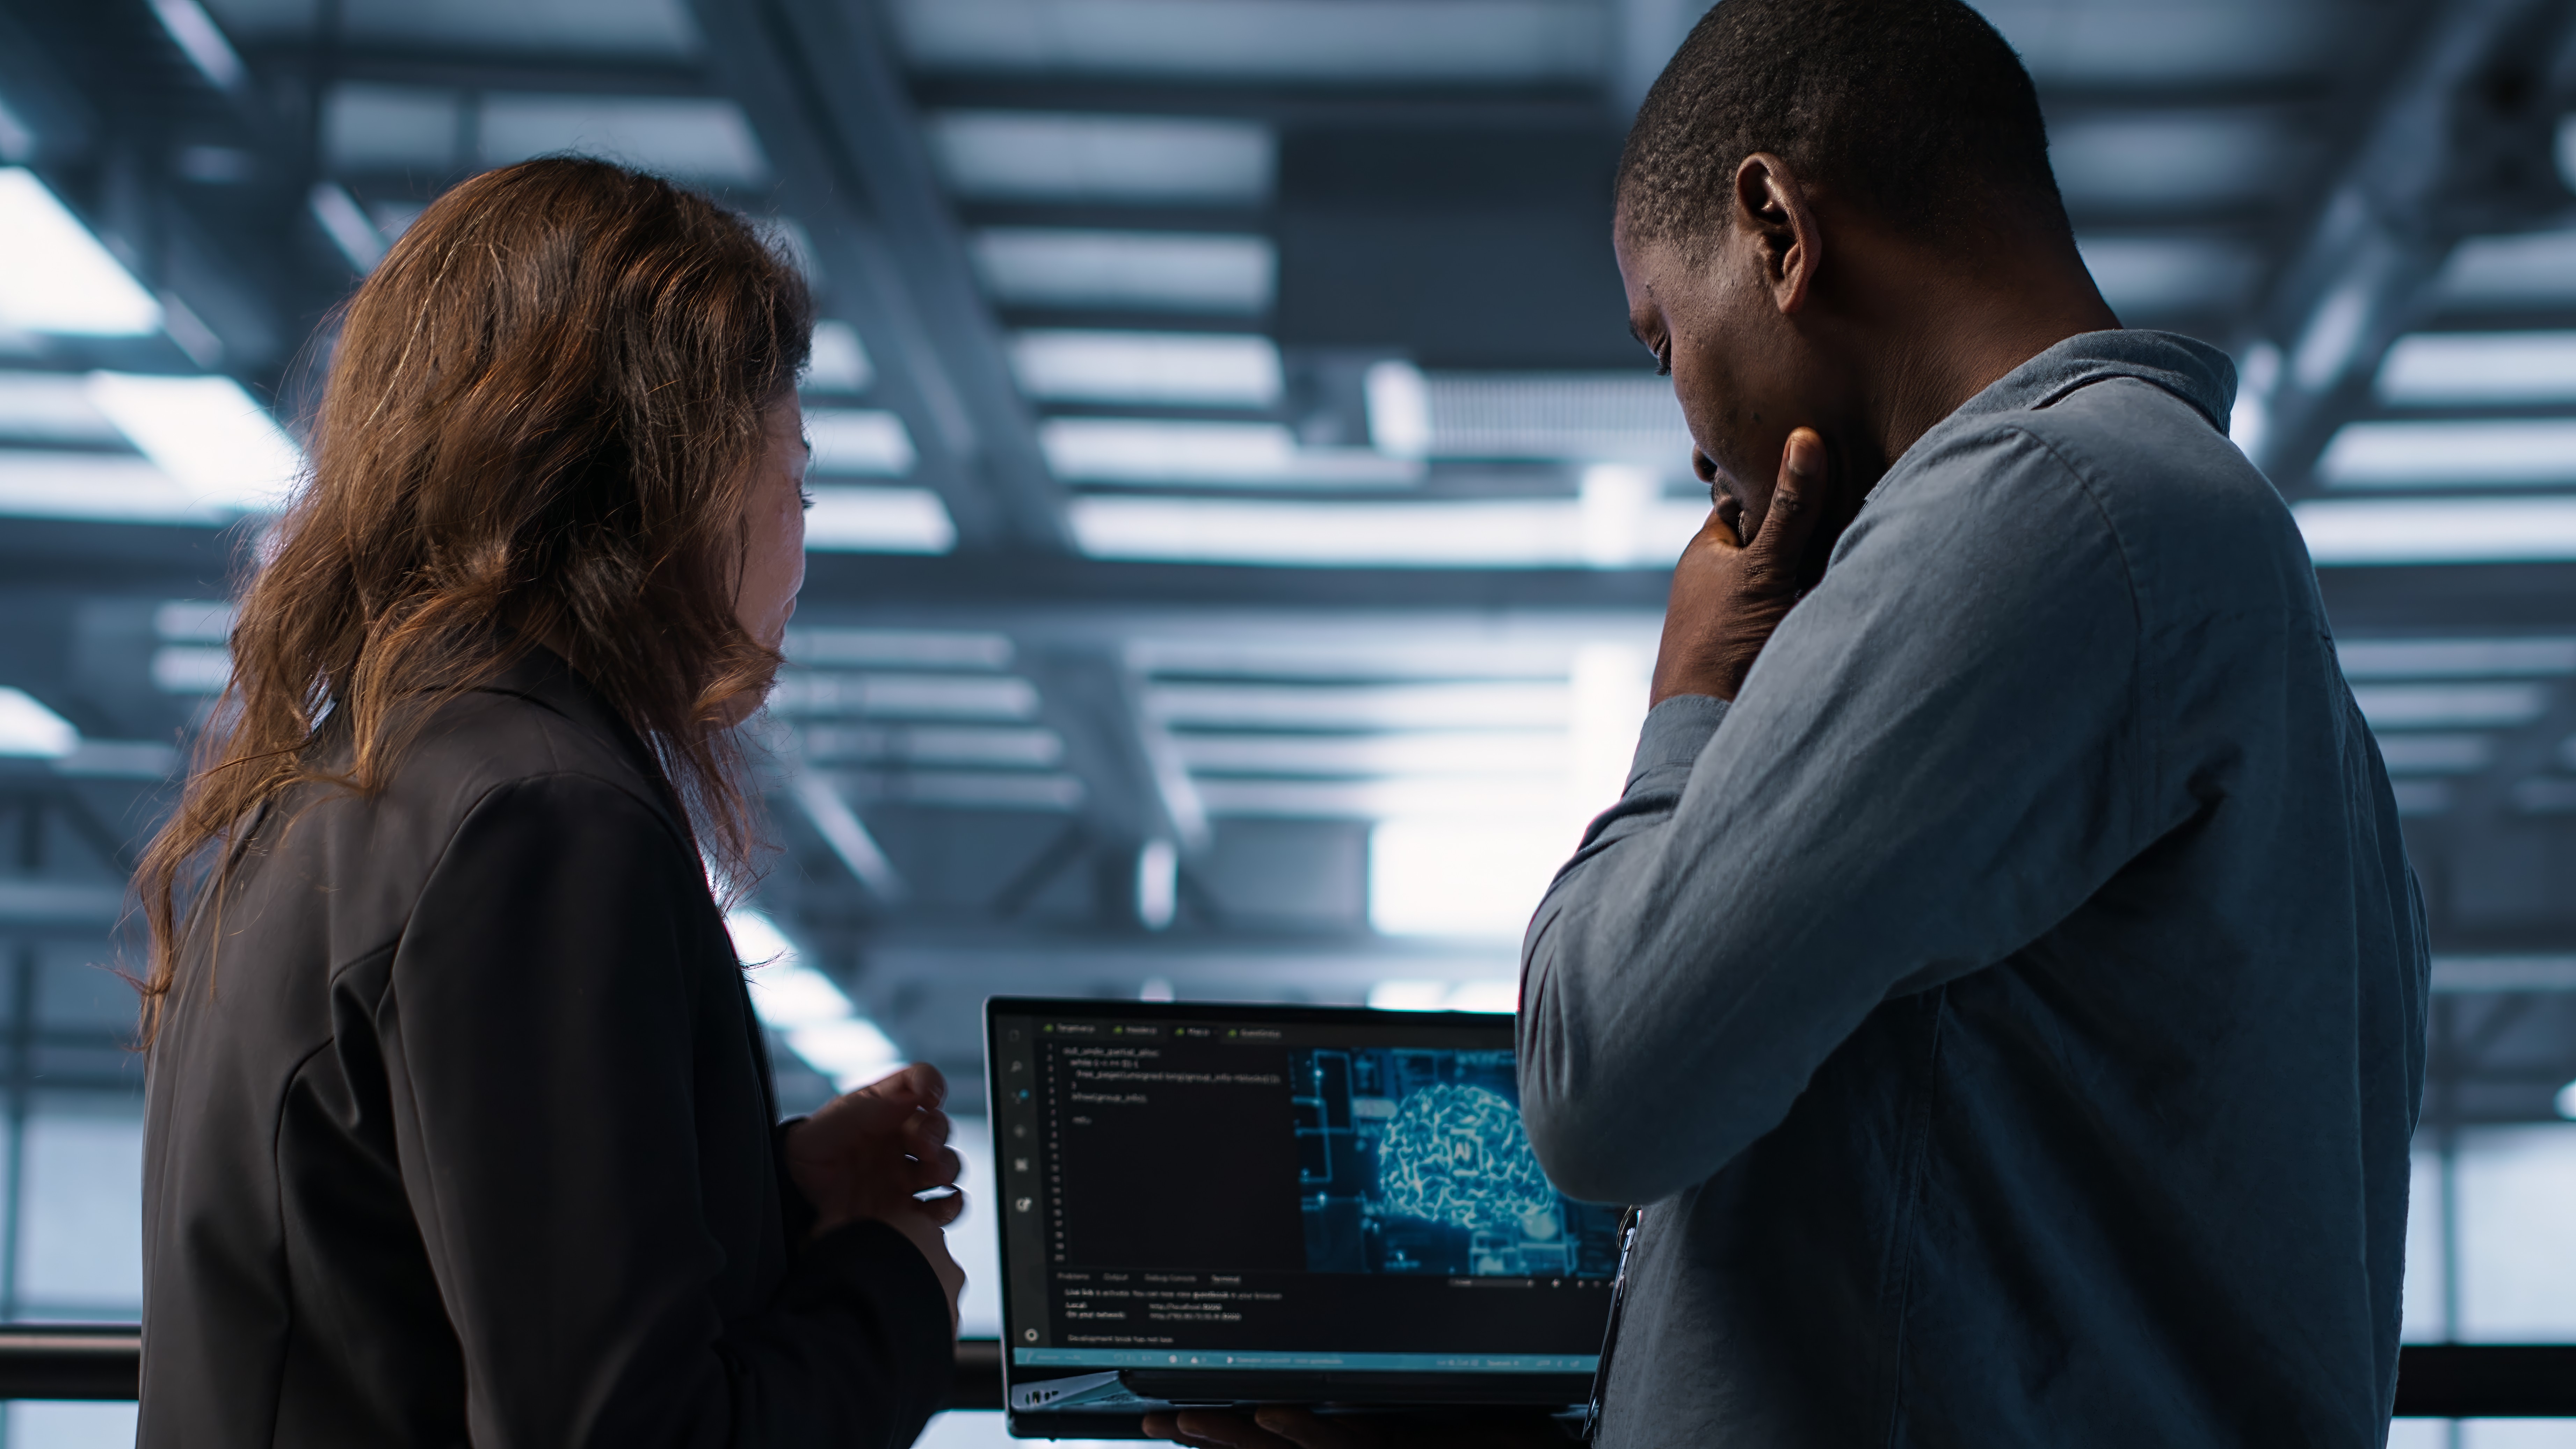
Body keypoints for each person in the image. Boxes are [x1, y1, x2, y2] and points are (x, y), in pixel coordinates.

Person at [1152, 0, 2425, 1445]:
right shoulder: (2183, 555)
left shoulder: (2044, 510)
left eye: (1659, 342)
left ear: (1772, 228)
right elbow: (1969, 1280)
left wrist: (1689, 695)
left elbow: (1600, 1089)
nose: (1688, 436)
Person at [135, 157, 966, 1448]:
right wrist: (894, 1293)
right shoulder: (542, 820)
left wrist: (764, 1202)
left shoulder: (347, 786)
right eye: (792, 472)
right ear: (658, 481)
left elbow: (414, 1285)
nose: (801, 531)